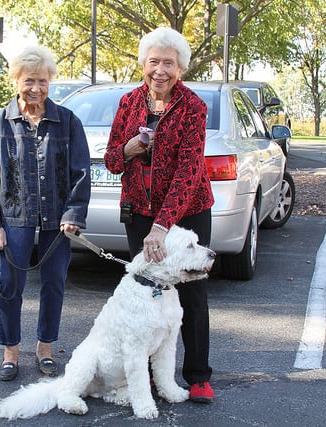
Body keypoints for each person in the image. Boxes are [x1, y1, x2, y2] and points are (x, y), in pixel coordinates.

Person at [103, 27, 216, 403]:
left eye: (169, 63)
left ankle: (197, 375)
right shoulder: (128, 103)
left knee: (193, 293)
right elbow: (111, 161)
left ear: (180, 68)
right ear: (143, 65)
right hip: (139, 212)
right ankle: (150, 375)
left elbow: (188, 172)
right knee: (146, 295)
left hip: (188, 213)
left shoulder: (194, 107)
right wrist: (129, 148)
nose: (160, 70)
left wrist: (162, 228)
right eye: (154, 62)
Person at [0, 45, 91, 382]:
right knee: (11, 284)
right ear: (16, 80)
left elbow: (81, 172)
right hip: (14, 216)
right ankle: (10, 350)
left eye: (42, 81)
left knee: (54, 282)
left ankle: (45, 347)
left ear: (50, 81)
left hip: (58, 219)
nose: (36, 88)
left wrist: (74, 213)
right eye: (29, 81)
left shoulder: (67, 121)